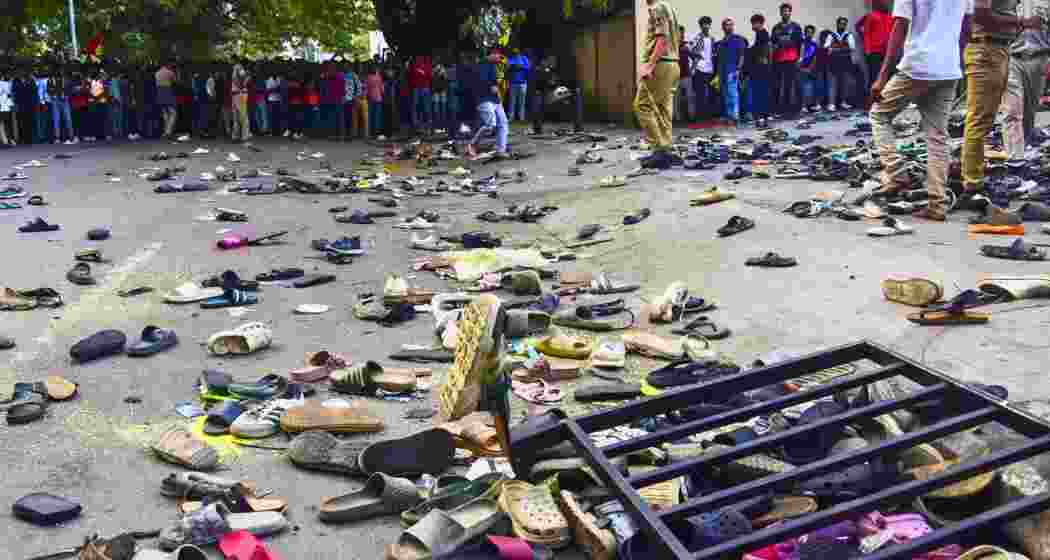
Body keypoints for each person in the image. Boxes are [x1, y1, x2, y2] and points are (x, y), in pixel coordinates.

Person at [869, 0, 973, 221]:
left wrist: (882, 75)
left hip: (918, 64)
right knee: (937, 137)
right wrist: (956, 60)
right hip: (948, 67)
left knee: (879, 114)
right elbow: (967, 27)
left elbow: (899, 26)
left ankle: (897, 173)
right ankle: (937, 203)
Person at [961, 0, 1043, 198]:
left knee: (984, 121)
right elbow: (980, 15)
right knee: (979, 120)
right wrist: (1022, 22)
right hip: (986, 49)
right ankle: (972, 185)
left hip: (998, 49)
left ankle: (975, 179)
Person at [634, 0, 681, 169]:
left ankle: (659, 150)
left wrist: (650, 65)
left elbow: (662, 38)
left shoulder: (656, 8)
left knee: (642, 105)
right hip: (673, 63)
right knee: (662, 109)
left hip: (661, 64)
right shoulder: (668, 7)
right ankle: (666, 149)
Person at [1002, 22, 1050, 159]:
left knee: (1029, 113)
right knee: (1012, 112)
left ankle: (1022, 152)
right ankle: (1014, 161)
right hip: (1012, 57)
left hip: (1040, 57)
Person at [467, 50, 510, 159]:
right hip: (483, 98)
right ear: (491, 55)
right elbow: (477, 82)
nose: (499, 58)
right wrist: (490, 85)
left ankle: (501, 149)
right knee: (490, 125)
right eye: (497, 56)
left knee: (503, 123)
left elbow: (494, 80)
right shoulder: (480, 65)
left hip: (494, 99)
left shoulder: (493, 66)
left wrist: (496, 85)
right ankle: (472, 144)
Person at [771, 3, 804, 116]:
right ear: (780, 13)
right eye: (783, 11)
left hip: (792, 59)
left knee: (793, 85)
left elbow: (801, 43)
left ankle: (795, 110)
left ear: (790, 12)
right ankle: (782, 110)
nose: (785, 13)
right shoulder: (776, 28)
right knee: (781, 86)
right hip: (779, 60)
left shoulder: (796, 27)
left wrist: (800, 57)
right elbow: (773, 45)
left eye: (787, 11)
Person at [715, 18, 748, 126]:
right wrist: (718, 74)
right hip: (722, 73)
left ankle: (735, 116)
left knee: (733, 94)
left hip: (732, 71)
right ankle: (729, 116)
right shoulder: (721, 42)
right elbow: (719, 59)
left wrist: (738, 69)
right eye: (726, 25)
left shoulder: (738, 39)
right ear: (723, 27)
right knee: (725, 95)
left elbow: (742, 56)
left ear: (733, 26)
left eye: (730, 25)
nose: (728, 27)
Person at [862, 0, 895, 100]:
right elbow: (866, 34)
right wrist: (867, 50)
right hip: (874, 52)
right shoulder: (871, 16)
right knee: (873, 77)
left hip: (887, 52)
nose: (886, 4)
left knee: (888, 76)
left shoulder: (890, 17)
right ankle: (870, 101)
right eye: (884, 3)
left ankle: (886, 99)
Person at [826, 16, 859, 111]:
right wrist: (843, 47)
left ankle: (843, 102)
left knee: (845, 83)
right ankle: (831, 104)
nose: (842, 25)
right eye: (841, 23)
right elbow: (827, 48)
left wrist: (836, 48)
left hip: (846, 61)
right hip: (833, 62)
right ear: (837, 24)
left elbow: (852, 48)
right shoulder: (831, 35)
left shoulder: (849, 35)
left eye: (844, 24)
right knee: (833, 83)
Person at [747, 14, 773, 127]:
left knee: (761, 92)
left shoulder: (763, 33)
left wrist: (764, 60)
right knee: (761, 92)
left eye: (754, 23)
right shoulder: (759, 34)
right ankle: (763, 116)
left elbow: (767, 48)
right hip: (760, 67)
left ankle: (762, 116)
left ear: (760, 23)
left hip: (761, 68)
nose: (752, 25)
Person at [692, 17, 715, 121]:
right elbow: (688, 48)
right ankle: (699, 117)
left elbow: (713, 53)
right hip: (699, 69)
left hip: (710, 69)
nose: (706, 26)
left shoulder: (712, 38)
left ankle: (708, 116)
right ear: (700, 26)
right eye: (703, 24)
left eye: (707, 24)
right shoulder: (697, 37)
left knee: (710, 93)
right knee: (700, 94)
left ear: (710, 25)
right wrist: (696, 56)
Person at [799, 25, 821, 112]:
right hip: (802, 68)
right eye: (808, 32)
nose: (809, 34)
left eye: (811, 32)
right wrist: (801, 67)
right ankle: (803, 106)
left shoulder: (815, 44)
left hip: (812, 68)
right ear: (805, 33)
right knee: (804, 88)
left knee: (815, 86)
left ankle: (816, 105)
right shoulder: (802, 43)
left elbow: (815, 57)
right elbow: (800, 56)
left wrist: (811, 67)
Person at [676, 25, 695, 122]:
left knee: (690, 97)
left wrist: (692, 69)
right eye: (679, 32)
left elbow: (694, 57)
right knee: (676, 99)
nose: (681, 34)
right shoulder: (672, 46)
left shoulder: (686, 46)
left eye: (682, 32)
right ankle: (677, 118)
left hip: (686, 75)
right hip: (675, 76)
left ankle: (691, 117)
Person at [409, 55, 433, 129]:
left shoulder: (427, 64)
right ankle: (417, 123)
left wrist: (421, 72)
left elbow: (429, 75)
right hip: (417, 87)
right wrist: (421, 73)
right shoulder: (413, 65)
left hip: (424, 87)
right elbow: (412, 75)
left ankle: (427, 122)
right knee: (416, 106)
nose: (419, 60)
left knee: (425, 106)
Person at [506, 48, 530, 121]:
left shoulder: (524, 58)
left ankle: (521, 118)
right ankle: (511, 117)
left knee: (522, 102)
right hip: (513, 83)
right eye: (514, 50)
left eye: (517, 50)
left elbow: (528, 67)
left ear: (519, 51)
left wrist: (519, 66)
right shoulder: (511, 58)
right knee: (512, 101)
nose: (516, 51)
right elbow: (508, 66)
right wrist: (517, 66)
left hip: (523, 83)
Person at [230, 64, 251, 142]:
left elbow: (241, 85)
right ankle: (237, 136)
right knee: (237, 117)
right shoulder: (237, 75)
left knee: (243, 117)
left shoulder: (240, 74)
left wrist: (246, 79)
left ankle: (243, 136)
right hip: (237, 95)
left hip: (240, 95)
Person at [155, 62, 177, 138]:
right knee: (173, 113)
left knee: (165, 113)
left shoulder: (157, 73)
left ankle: (165, 131)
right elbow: (175, 81)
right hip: (167, 92)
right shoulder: (169, 72)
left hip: (159, 93)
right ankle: (168, 131)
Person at [367, 65, 385, 137]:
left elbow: (381, 87)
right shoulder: (378, 77)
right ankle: (375, 132)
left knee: (374, 117)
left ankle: (373, 132)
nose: (375, 69)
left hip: (375, 99)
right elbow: (381, 87)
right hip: (376, 99)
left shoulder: (369, 77)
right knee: (375, 117)